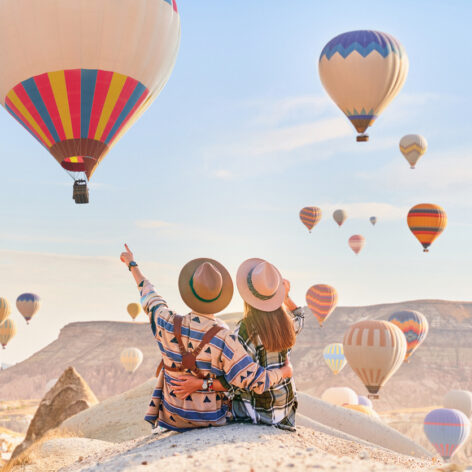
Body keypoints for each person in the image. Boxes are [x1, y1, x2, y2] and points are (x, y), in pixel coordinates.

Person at [120, 245, 293, 432]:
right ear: (220, 296)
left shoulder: (165, 320)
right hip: (210, 418)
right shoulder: (226, 339)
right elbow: (257, 382)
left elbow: (149, 294)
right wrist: (285, 372)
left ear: (189, 291)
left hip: (173, 415)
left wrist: (132, 265)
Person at [173, 258, 304, 431]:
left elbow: (233, 382)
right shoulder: (287, 323)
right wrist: (286, 298)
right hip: (285, 410)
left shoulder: (244, 332)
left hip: (256, 412)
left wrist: (199, 385)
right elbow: (300, 317)